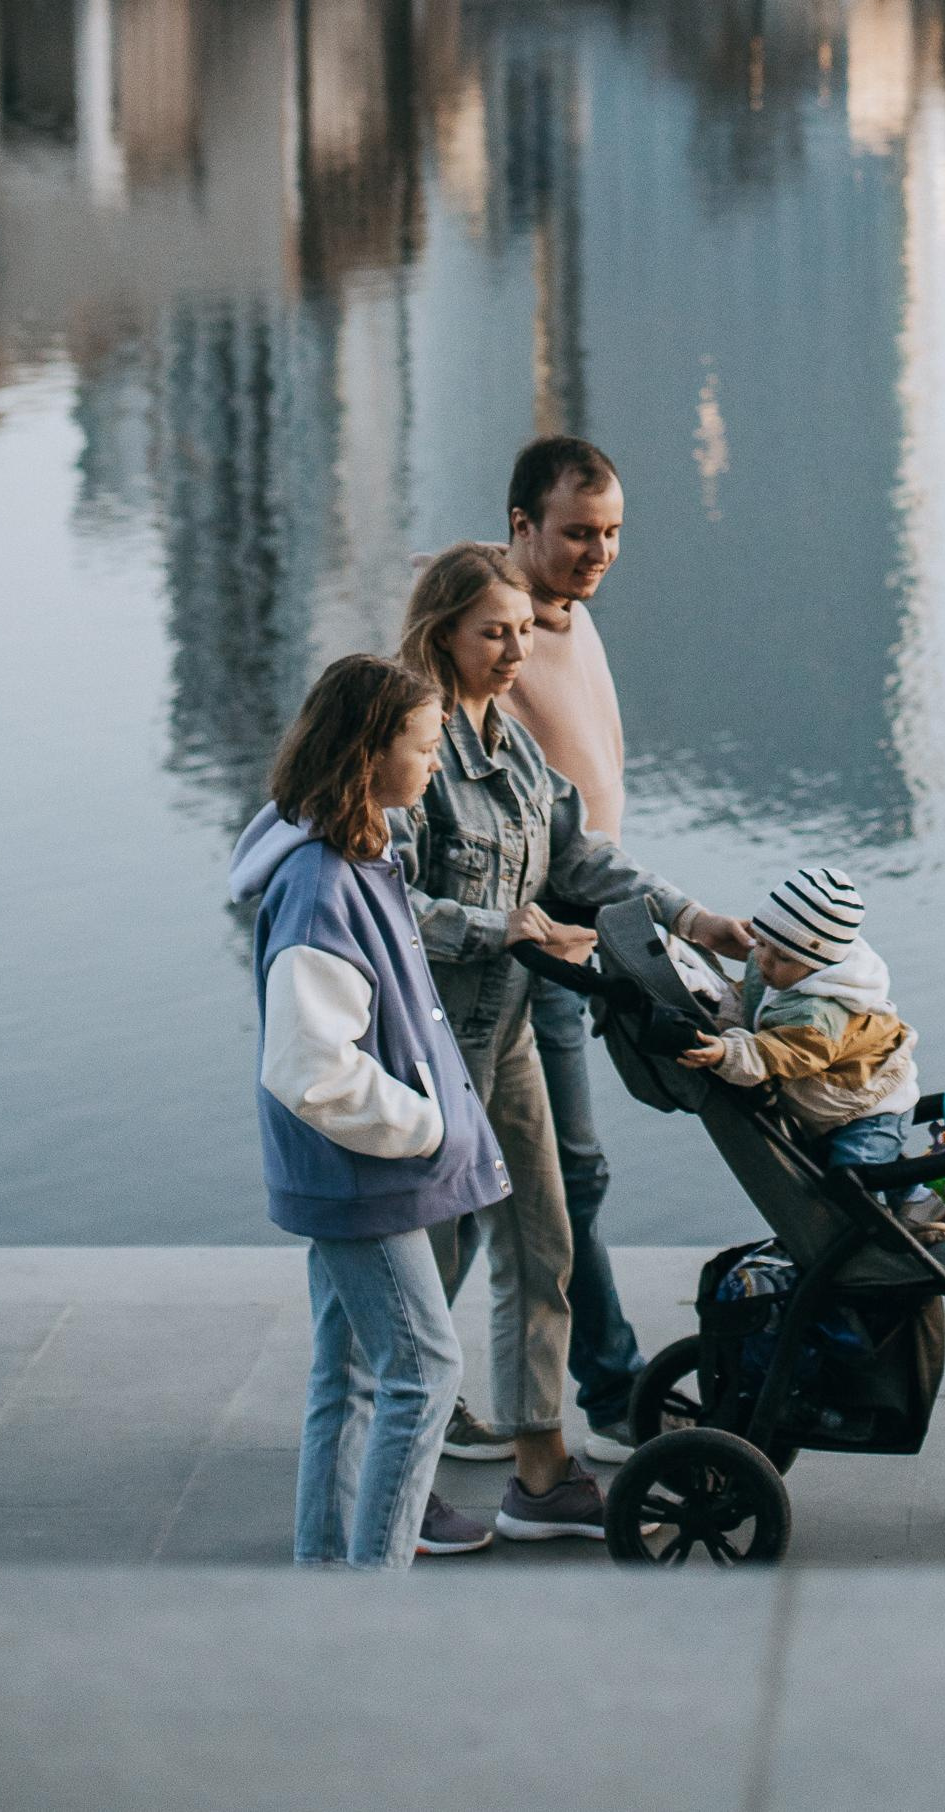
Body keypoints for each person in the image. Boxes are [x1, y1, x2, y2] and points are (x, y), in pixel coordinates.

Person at [393, 542, 752, 1545]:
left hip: (505, 1035)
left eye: (522, 632)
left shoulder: (507, 741)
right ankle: (392, 1486)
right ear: (442, 634)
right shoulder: (408, 745)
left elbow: (579, 853)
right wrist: (497, 926)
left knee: (543, 1244)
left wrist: (692, 918)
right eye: (493, 634)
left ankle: (540, 1474)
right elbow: (379, 903)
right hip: (429, 1054)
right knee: (421, 1273)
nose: (516, 652)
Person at [228, 654, 505, 1568]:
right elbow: (309, 1069)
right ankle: (368, 1604)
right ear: (366, 752)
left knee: (346, 1376)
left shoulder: (358, 857)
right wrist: (427, 1127)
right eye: (422, 745)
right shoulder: (323, 885)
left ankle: (325, 1581)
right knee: (425, 1375)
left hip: (355, 1170)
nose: (435, 762)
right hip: (364, 1176)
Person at [497, 433, 644, 1460]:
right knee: (569, 1177)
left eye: (613, 533)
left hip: (582, 935)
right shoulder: (494, 635)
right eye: (579, 533)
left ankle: (410, 1384)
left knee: (491, 1196)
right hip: (527, 952)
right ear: (522, 526)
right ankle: (611, 1389)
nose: (599, 553)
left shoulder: (570, 614)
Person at [679, 862, 945, 1237]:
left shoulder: (819, 1017)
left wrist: (728, 1054)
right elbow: (752, 996)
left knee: (853, 1178)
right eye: (762, 943)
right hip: (835, 1101)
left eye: (784, 957)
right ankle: (916, 1200)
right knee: (862, 1168)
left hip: (870, 1109)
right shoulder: (773, 963)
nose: (765, 960)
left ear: (819, 965)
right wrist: (725, 1020)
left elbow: (781, 1053)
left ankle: (891, 1236)